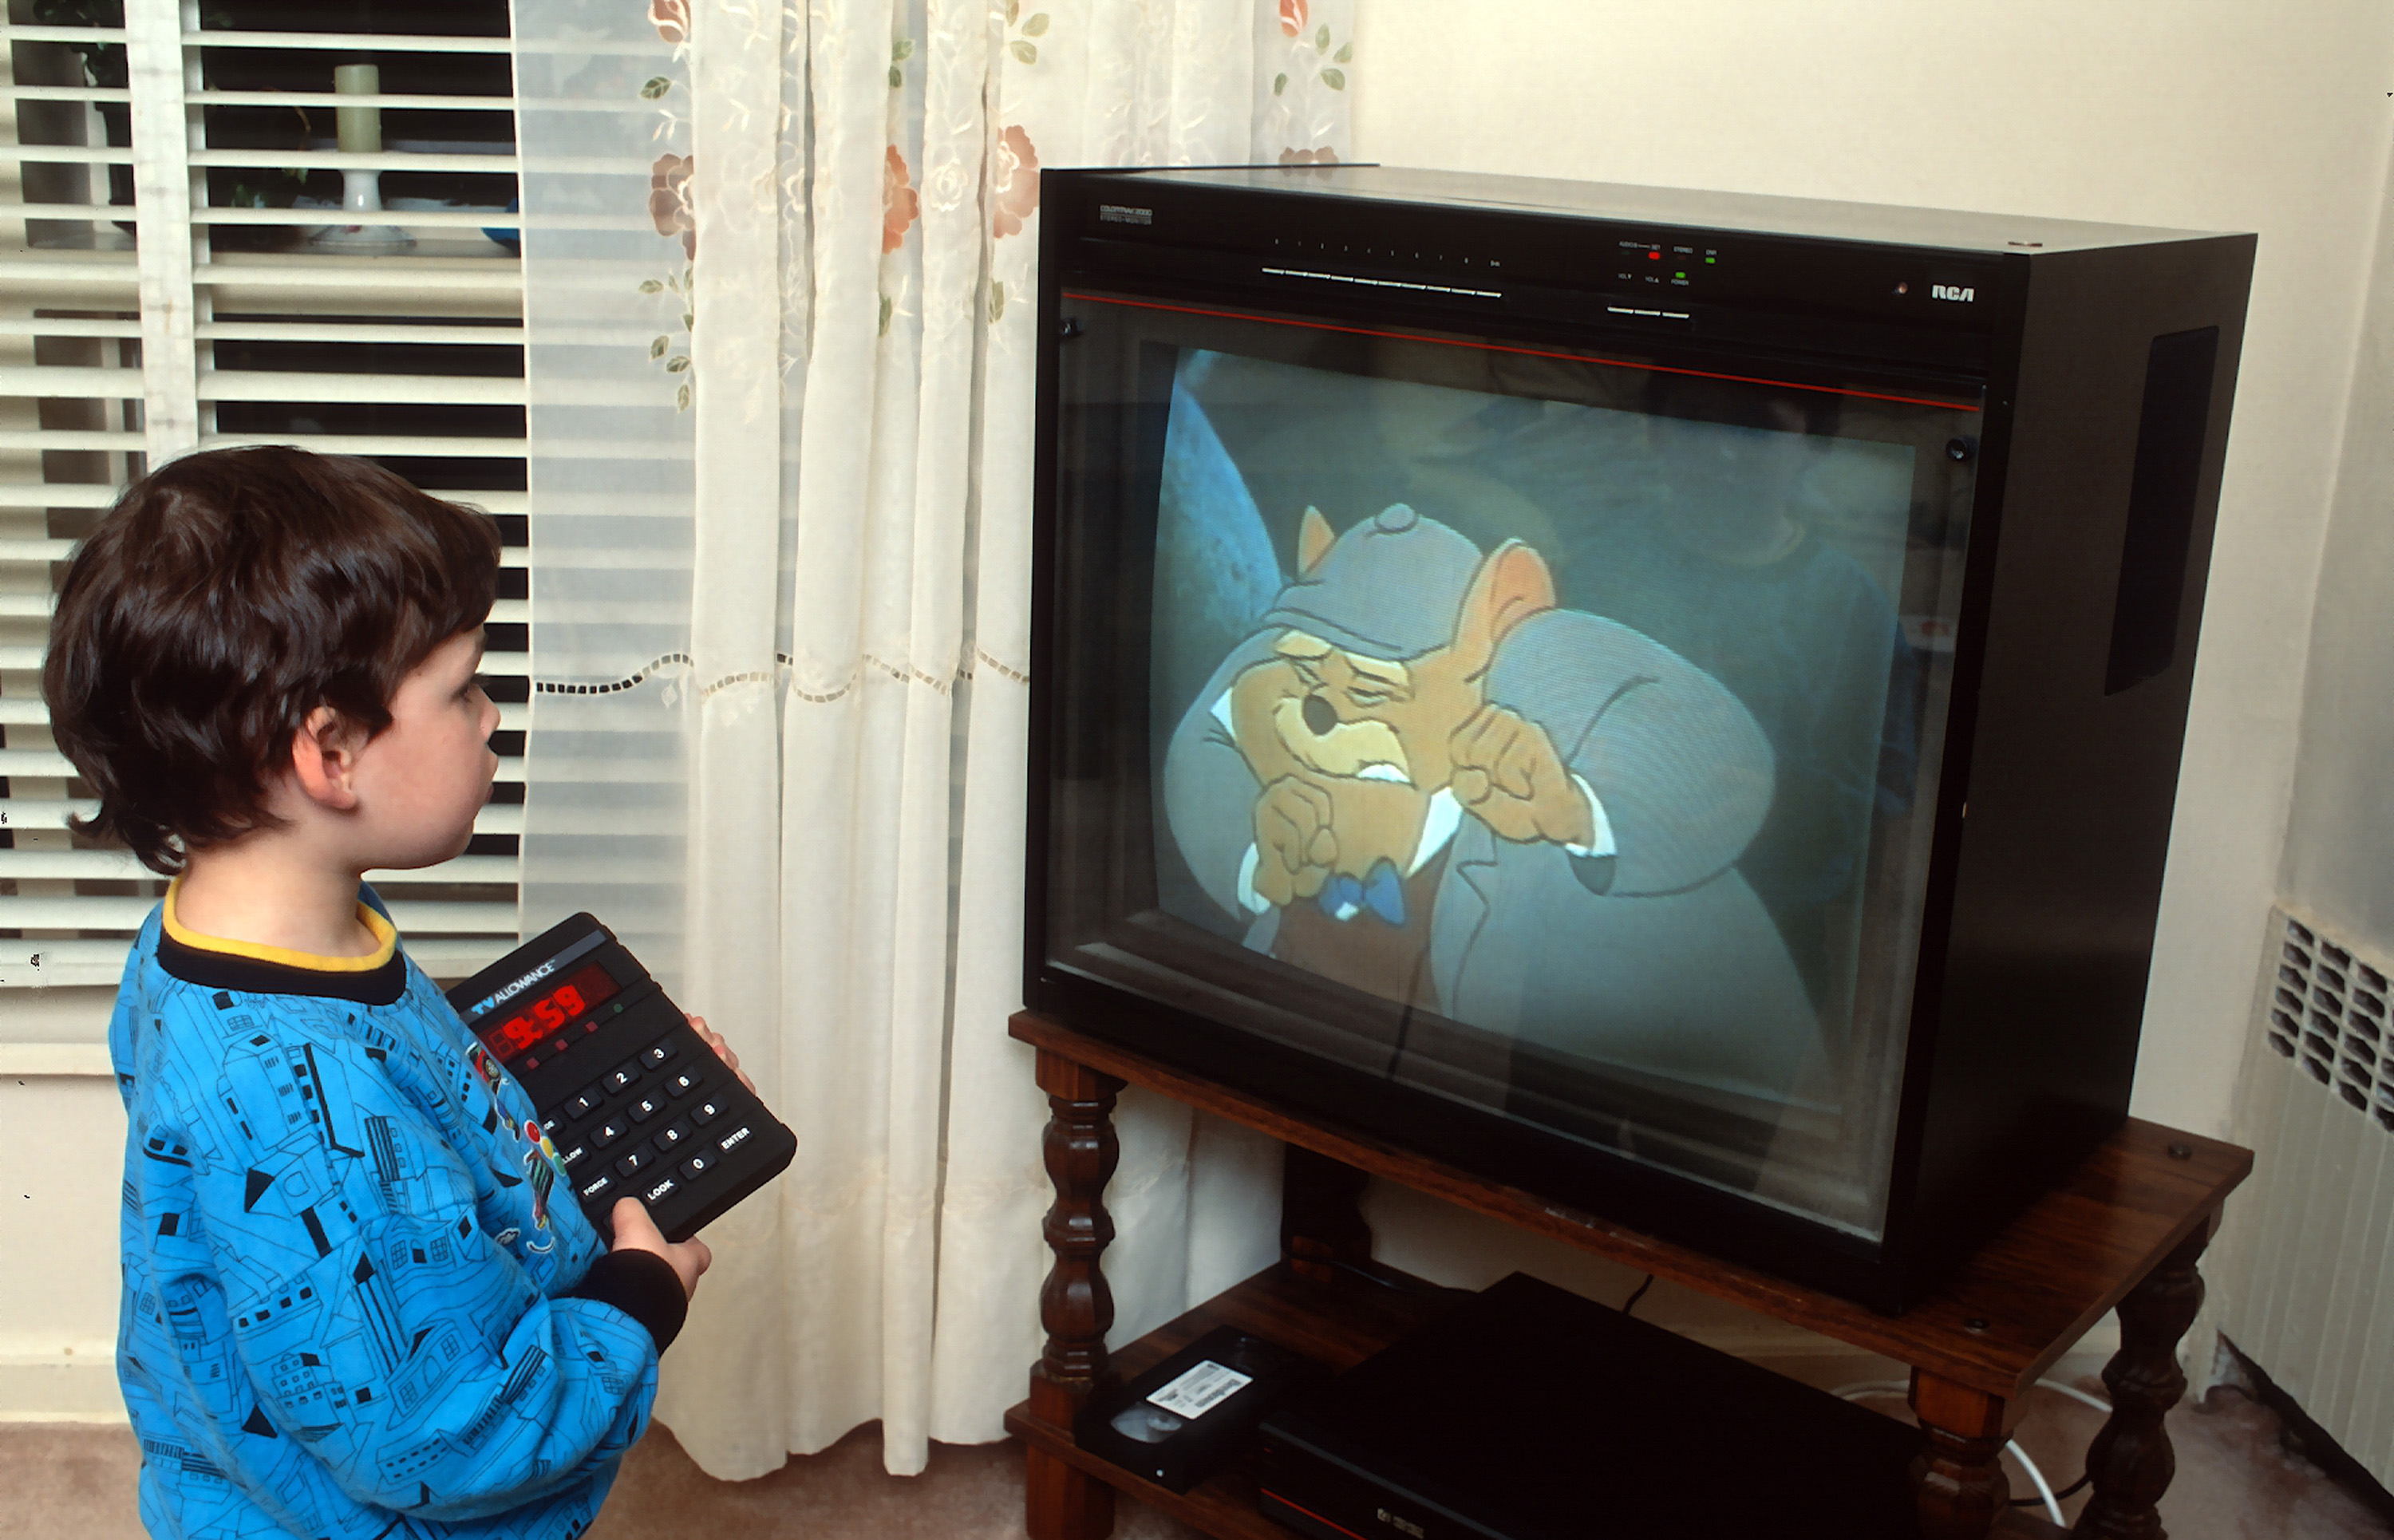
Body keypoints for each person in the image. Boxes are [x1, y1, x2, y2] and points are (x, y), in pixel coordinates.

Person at [43, 446, 745, 1539]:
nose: (491, 715)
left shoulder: (208, 934)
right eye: (462, 685)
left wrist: (524, 1092)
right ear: (331, 750)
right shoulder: (293, 1100)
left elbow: (376, 1076)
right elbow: (442, 1440)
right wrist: (640, 1300)